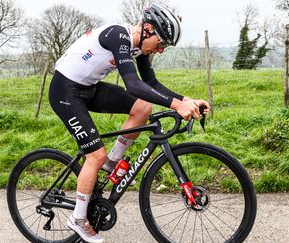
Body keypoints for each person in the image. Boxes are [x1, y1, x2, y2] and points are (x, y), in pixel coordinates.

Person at [49, 4, 210, 242]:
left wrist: (187, 100)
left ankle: (112, 162)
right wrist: (176, 105)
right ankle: (78, 219)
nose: (161, 50)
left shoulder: (141, 47)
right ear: (147, 29)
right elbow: (133, 85)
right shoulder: (118, 36)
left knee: (143, 107)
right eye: (162, 43)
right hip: (65, 90)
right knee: (95, 155)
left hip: (89, 88)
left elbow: (151, 85)